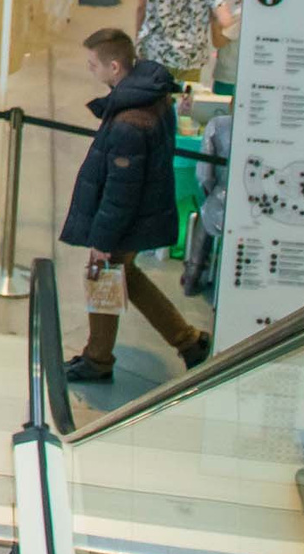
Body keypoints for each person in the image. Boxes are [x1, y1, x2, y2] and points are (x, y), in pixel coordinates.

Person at [60, 29, 208, 384]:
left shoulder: (130, 121)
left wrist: (102, 241)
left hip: (127, 219)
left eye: (94, 64)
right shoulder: (151, 95)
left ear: (114, 66)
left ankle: (97, 359)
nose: (89, 69)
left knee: (103, 274)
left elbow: (119, 193)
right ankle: (188, 342)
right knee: (125, 275)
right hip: (144, 212)